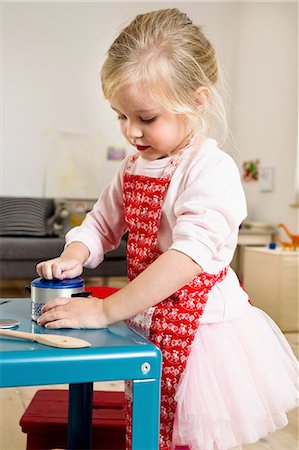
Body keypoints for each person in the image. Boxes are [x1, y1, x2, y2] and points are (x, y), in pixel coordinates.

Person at [36, 8, 298, 450]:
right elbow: (102, 221)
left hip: (201, 333)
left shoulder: (210, 169)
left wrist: (104, 310)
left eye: (147, 118)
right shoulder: (135, 166)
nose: (131, 132)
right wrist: (75, 254)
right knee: (150, 425)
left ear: (197, 101)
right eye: (121, 116)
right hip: (153, 316)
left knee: (188, 432)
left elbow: (185, 258)